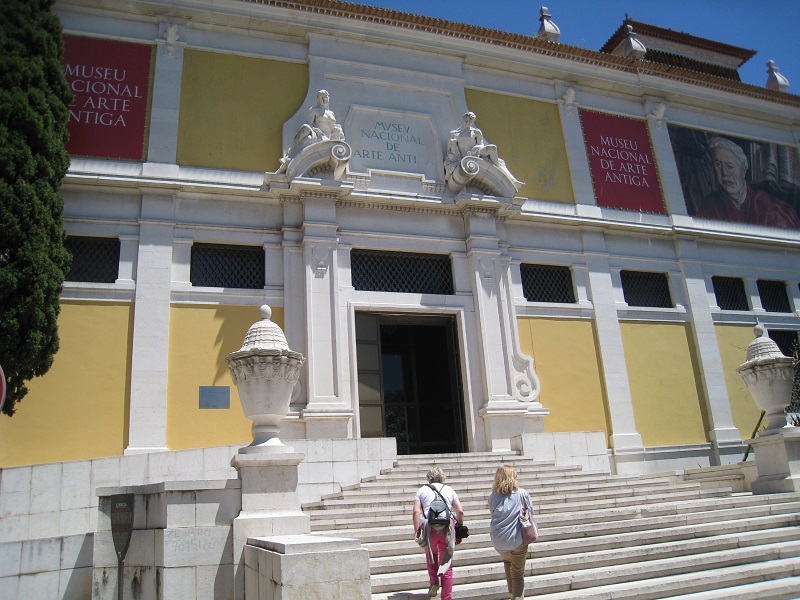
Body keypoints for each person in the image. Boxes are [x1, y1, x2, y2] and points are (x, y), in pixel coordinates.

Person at [695, 136, 800, 229]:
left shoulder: (772, 211)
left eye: (730, 166)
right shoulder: (708, 206)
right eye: (718, 164)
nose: (724, 173)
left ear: (744, 169)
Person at [413, 466, 464, 599]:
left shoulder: (422, 490)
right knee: (447, 564)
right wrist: (459, 528)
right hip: (447, 527)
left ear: (429, 478)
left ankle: (434, 582)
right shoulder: (449, 490)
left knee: (431, 555)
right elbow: (460, 511)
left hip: (429, 527)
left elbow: (416, 512)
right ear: (442, 477)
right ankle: (446, 597)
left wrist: (417, 530)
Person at [488, 464, 533, 600]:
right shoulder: (522, 494)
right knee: (518, 574)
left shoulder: (492, 497)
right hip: (517, 539)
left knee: (508, 561)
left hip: (498, 540)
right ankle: (517, 597)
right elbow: (530, 512)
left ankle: (511, 590)